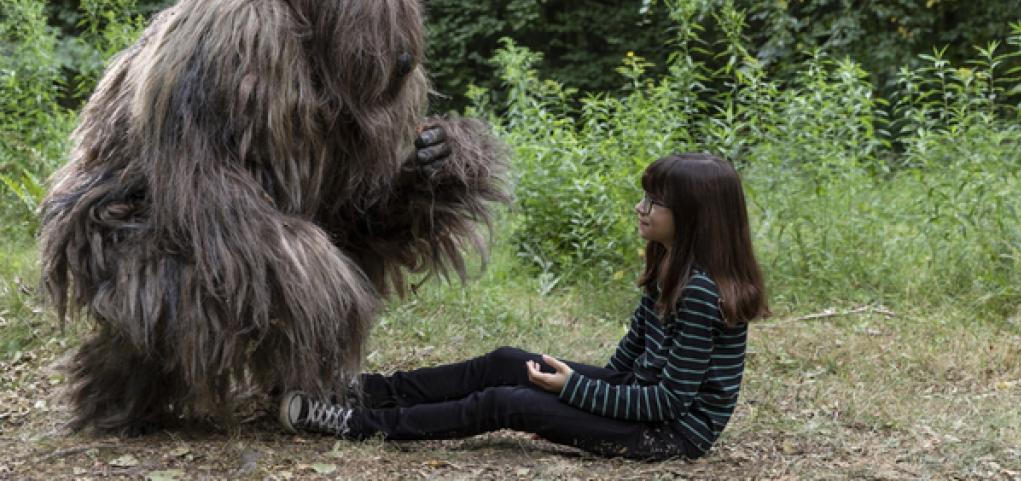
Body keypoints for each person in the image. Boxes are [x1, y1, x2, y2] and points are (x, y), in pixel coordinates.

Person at [279, 152, 769, 460]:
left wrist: (570, 395)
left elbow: (670, 403)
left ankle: (355, 423)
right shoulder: (667, 264)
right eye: (644, 196)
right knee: (507, 362)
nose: (641, 208)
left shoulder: (702, 291)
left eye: (655, 202)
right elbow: (629, 361)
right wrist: (573, 404)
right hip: (640, 401)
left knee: (508, 403)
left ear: (695, 217)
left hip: (670, 434)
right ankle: (362, 392)